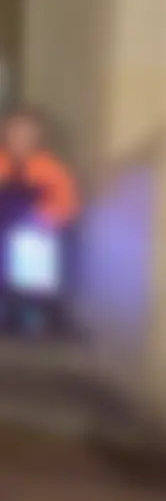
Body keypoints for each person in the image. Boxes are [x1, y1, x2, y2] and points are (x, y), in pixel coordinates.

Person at [0, 109, 79, 337]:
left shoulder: (51, 168)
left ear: (38, 136)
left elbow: (67, 204)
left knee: (35, 250)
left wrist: (41, 220)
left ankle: (32, 311)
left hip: (34, 233)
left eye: (27, 132)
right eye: (15, 131)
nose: (21, 137)